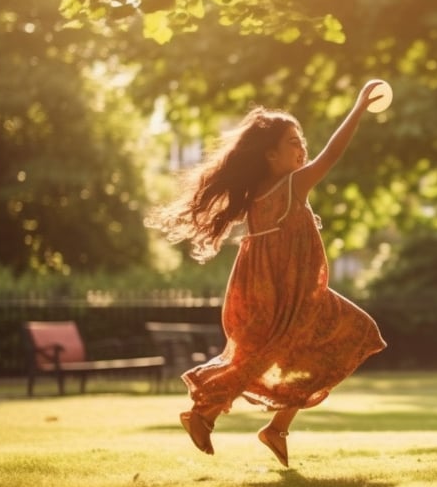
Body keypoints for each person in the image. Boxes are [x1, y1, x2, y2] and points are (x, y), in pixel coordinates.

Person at [146, 81, 388, 467]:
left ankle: (273, 428)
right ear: (271, 154)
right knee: (267, 354)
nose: (301, 148)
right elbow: (332, 154)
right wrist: (358, 108)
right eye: (293, 142)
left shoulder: (259, 191)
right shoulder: (291, 185)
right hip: (283, 293)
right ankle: (204, 413)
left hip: (290, 292)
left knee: (313, 346)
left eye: (301, 140)